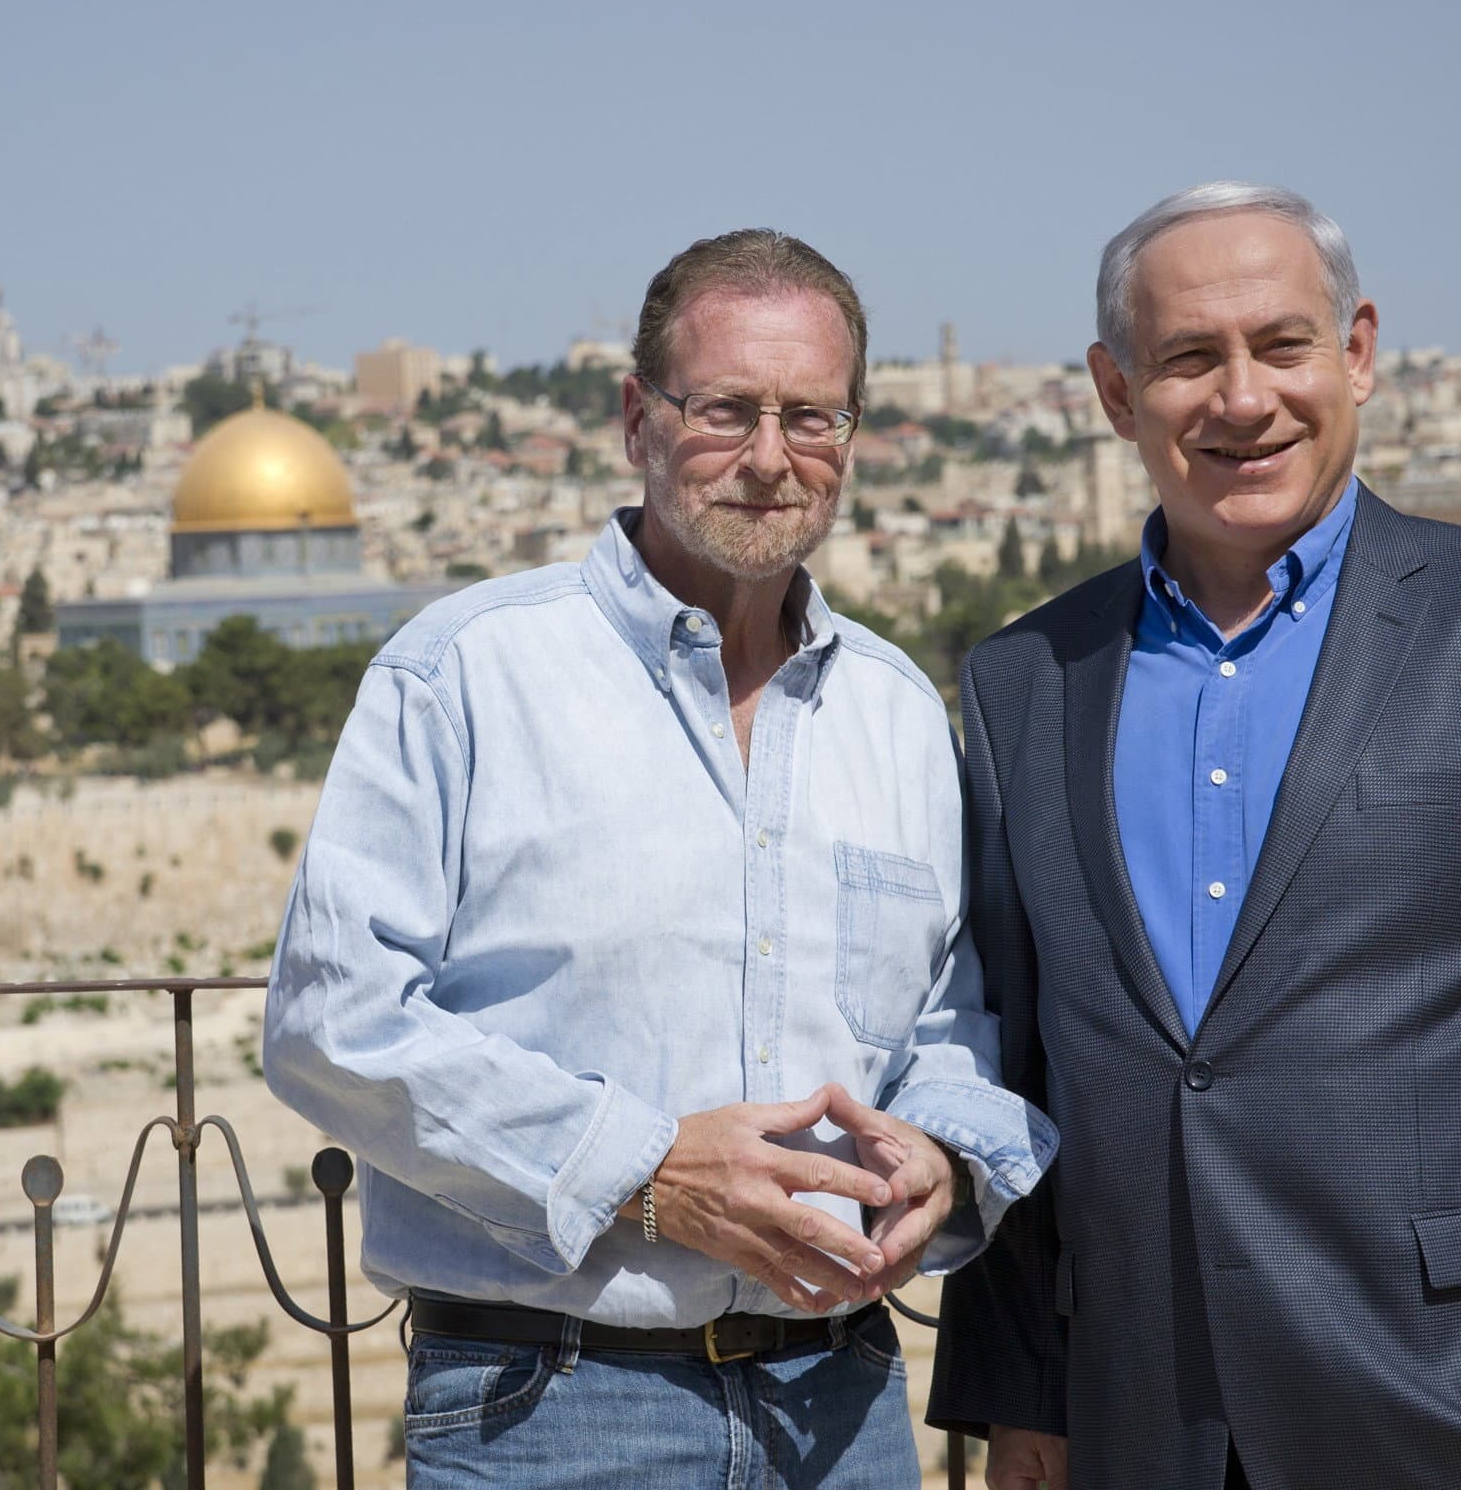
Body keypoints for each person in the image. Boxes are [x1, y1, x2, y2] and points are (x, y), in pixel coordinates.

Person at [927, 183, 1461, 1489]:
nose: (1243, 397)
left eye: (1283, 345)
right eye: (1190, 357)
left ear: (1358, 353)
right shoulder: (1027, 678)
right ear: (1112, 390)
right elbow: (1028, 1070)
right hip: (1151, 1429)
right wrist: (1023, 1390)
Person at [264, 228, 1055, 1488]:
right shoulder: (468, 673)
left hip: (840, 1404)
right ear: (637, 418)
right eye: (725, 409)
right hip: (552, 1405)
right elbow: (329, 1021)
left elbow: (950, 1016)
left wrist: (945, 1155)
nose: (768, 457)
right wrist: (642, 1170)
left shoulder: (901, 715)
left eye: (812, 416)